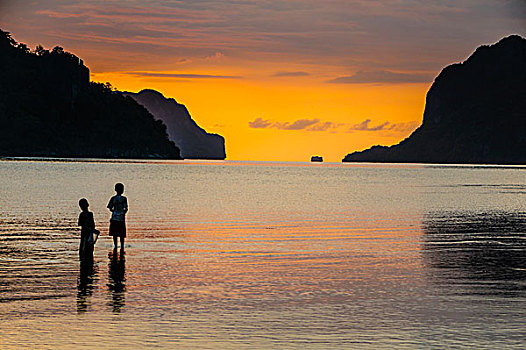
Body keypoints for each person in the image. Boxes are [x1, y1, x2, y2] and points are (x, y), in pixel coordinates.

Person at [107, 183, 128, 251]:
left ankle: (115, 246)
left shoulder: (113, 198)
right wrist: (123, 213)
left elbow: (110, 207)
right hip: (121, 218)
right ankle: (122, 246)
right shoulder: (124, 198)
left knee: (115, 234)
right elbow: (126, 208)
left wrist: (114, 211)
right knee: (121, 234)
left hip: (114, 217)